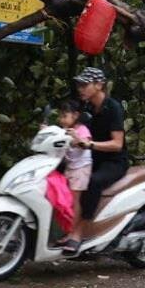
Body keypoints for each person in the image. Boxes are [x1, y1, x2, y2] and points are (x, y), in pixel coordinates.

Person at [66, 67, 127, 250]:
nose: (81, 89)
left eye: (85, 85)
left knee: (92, 182)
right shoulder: (86, 107)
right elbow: (76, 129)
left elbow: (117, 144)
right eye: (80, 85)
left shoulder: (113, 108)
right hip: (90, 158)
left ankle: (80, 231)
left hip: (114, 161)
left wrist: (90, 145)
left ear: (99, 85)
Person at [55, 101, 94, 251]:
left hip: (81, 169)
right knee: (67, 200)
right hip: (70, 168)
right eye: (60, 116)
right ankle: (69, 232)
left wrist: (76, 137)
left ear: (76, 115)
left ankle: (73, 234)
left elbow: (85, 143)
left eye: (65, 116)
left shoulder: (82, 129)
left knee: (75, 200)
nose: (61, 119)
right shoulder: (63, 130)